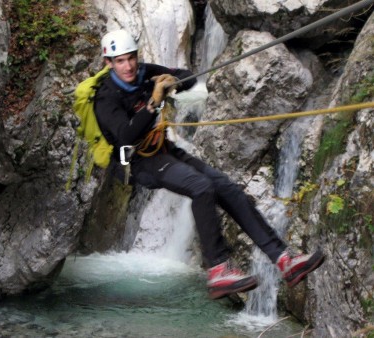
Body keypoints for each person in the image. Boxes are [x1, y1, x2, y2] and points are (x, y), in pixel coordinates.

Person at [94, 29, 325, 299]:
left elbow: (185, 77)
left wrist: (172, 82)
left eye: (131, 58)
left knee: (226, 187)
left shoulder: (145, 72)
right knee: (201, 186)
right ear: (108, 63)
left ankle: (285, 260)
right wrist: (155, 100)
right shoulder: (105, 96)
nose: (129, 66)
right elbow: (126, 135)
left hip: (163, 150)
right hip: (137, 163)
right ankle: (218, 270)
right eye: (120, 61)